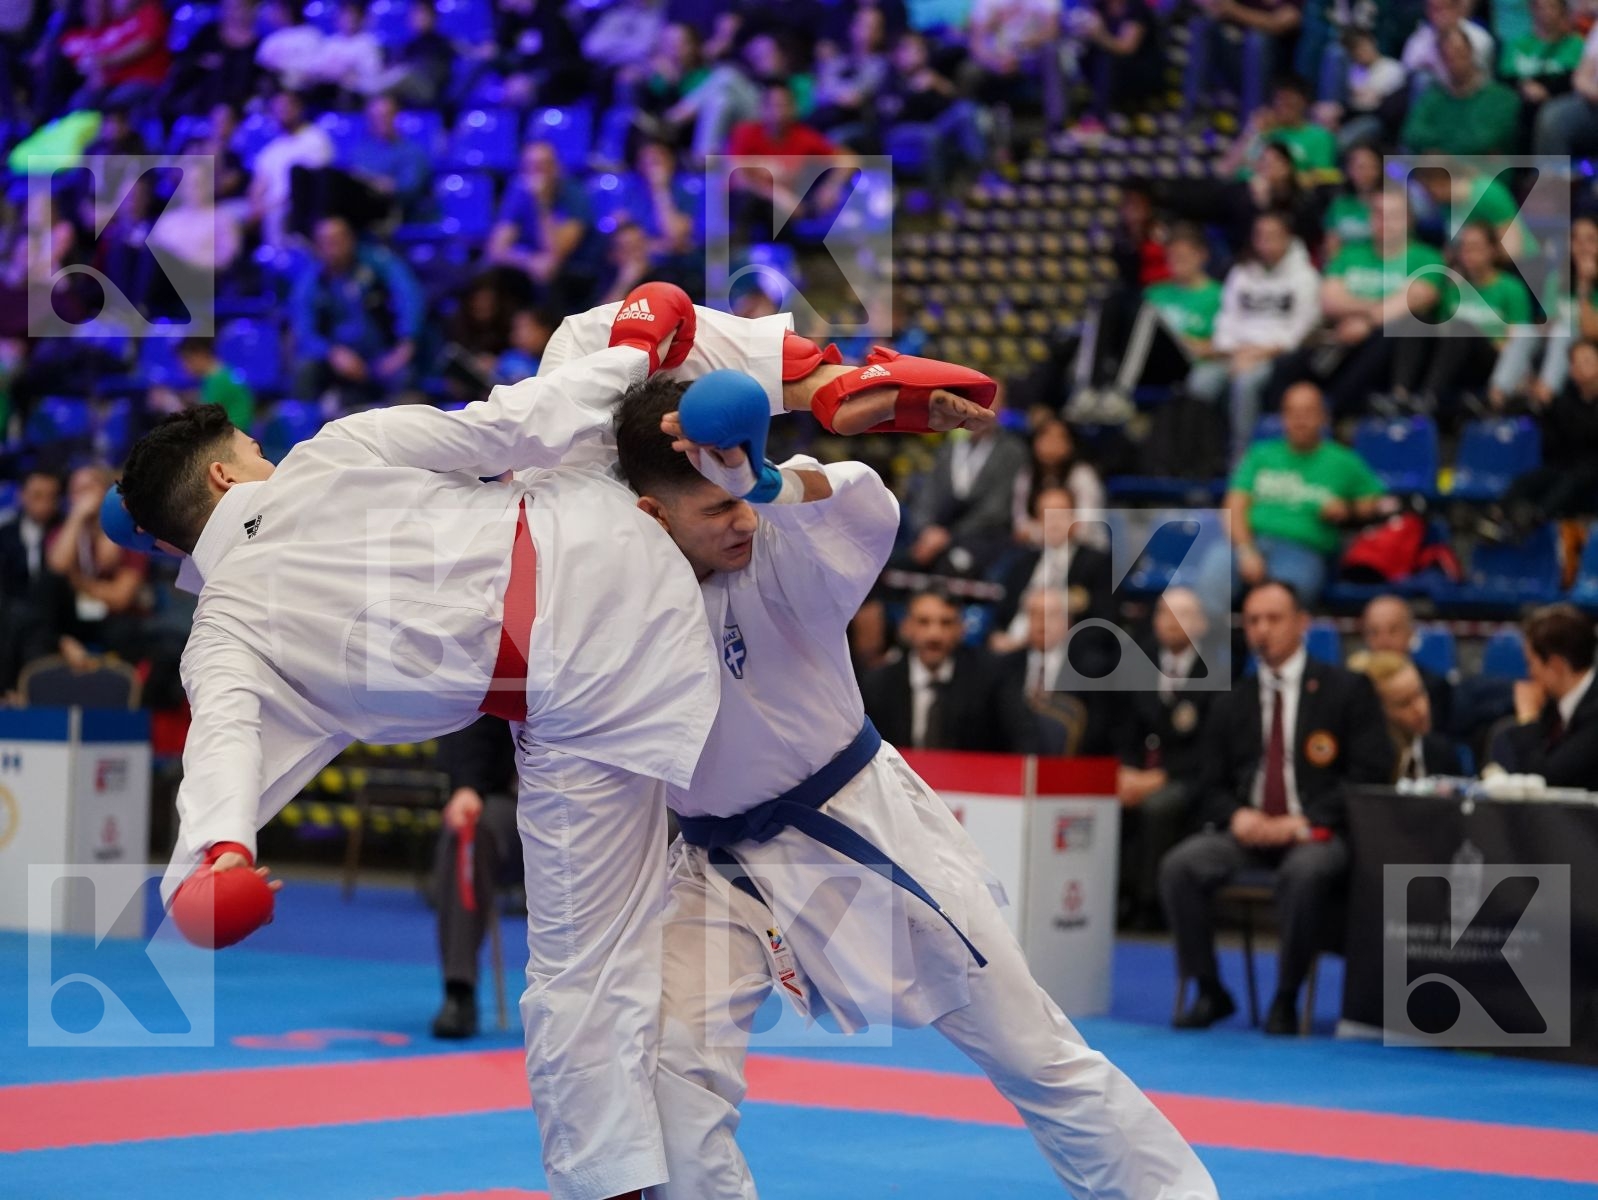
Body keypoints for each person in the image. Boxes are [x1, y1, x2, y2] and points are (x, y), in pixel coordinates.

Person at [124, 284, 729, 1200]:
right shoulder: (332, 454)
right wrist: (636, 350)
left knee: (581, 969)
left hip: (582, 698)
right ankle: (799, 384)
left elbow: (226, 745)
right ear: (223, 477)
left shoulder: (222, 633)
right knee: (588, 349)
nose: (269, 454)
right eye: (255, 450)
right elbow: (510, 426)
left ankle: (611, 1185)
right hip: (610, 552)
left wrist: (218, 853)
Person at [607, 368, 1219, 1200]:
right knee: (672, 1061)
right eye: (716, 509)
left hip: (862, 830)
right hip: (720, 869)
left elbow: (866, 503)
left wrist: (765, 478)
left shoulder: (779, 545)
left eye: (741, 497)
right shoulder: (612, 594)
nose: (740, 519)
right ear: (651, 514)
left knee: (1033, 1051)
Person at [1160, 580, 1393, 1035]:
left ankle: (1286, 997)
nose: (1262, 629)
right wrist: (1237, 816)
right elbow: (1207, 784)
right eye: (1253, 621)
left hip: (1316, 831)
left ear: (1302, 623)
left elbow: (1368, 775)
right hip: (1248, 834)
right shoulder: (1232, 700)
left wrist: (1301, 821)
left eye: (1274, 619)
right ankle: (1210, 989)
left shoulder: (1346, 690)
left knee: (1304, 873)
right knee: (1180, 866)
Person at [1202, 382, 1391, 606]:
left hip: (1303, 551)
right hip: (1249, 542)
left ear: (1323, 417)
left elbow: (1376, 501)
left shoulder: (1344, 461)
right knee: (1210, 579)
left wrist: (1347, 509)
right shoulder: (1260, 454)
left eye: (1307, 412)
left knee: (1281, 602)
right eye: (1292, 412)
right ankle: (1212, 641)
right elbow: (1234, 505)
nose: (1299, 420)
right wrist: (1246, 551)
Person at [1116, 587, 1218, 929]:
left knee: (1157, 807)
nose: (1172, 622)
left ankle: (1151, 902)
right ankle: (1113, 896)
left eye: (1183, 614)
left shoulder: (1218, 674)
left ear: (1201, 624)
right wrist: (1126, 771)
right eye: (1164, 613)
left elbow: (1212, 748)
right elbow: (1122, 726)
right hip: (1139, 770)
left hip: (1190, 777)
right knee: (1102, 800)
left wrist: (1161, 776)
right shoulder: (1137, 664)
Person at [430, 714, 521, 1039]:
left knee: (668, 832)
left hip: (602, 797)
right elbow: (475, 717)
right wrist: (468, 787)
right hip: (514, 799)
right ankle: (459, 991)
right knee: (468, 833)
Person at [861, 588, 1036, 752]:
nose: (934, 635)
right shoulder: (878, 684)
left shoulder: (992, 677)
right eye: (923, 622)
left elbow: (1022, 741)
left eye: (946, 623)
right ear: (906, 627)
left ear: (961, 629)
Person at [1212, 210, 1322, 465]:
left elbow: (1299, 331)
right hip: (1236, 352)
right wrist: (1233, 351)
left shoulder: (1305, 277)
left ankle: (1241, 457)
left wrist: (1257, 353)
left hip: (1276, 356)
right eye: (1260, 236)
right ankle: (1204, 452)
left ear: (1288, 238)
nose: (1266, 242)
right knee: (1201, 382)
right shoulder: (1241, 273)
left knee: (1246, 383)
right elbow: (1227, 319)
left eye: (1273, 236)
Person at [1488, 603, 1598, 786]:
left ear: (1555, 665)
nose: (1529, 674)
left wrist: (1528, 717)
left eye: (1531, 664)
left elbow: (1545, 780)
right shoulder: (1554, 708)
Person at [1350, 650, 1463, 781]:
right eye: (1404, 703)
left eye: (1420, 693)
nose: (1420, 709)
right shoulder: (1363, 766)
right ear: (1379, 711)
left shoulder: (1442, 753)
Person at [1358, 593, 1453, 733]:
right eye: (1374, 632)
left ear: (1410, 633)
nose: (1384, 642)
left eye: (1393, 631)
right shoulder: (1352, 690)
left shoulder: (1434, 687)